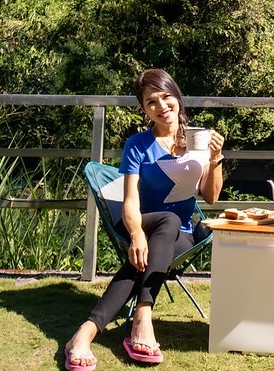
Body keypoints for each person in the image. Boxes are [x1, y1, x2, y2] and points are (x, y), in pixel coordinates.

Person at [64, 68, 225, 370]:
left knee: (164, 235)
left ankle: (83, 334)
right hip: (142, 221)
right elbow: (130, 201)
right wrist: (136, 234)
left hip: (181, 234)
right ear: (144, 109)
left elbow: (211, 196)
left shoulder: (198, 141)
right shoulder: (137, 145)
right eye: (152, 102)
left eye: (166, 98)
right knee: (167, 220)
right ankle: (143, 317)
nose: (162, 106)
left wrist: (215, 159)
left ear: (177, 97)